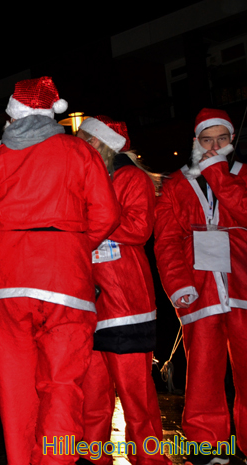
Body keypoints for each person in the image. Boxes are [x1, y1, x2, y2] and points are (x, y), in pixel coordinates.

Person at [0, 77, 119, 465]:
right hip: (64, 279)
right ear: (53, 113)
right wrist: (71, 245)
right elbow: (106, 214)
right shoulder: (79, 151)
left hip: (6, 281)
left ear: (13, 115)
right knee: (63, 382)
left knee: (14, 386)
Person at [154, 107, 247, 465]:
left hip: (241, 285)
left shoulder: (241, 175)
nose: (214, 147)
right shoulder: (176, 184)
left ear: (232, 139)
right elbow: (166, 240)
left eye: (221, 139)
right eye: (207, 140)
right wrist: (177, 284)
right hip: (199, 287)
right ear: (196, 141)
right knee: (204, 370)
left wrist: (219, 175)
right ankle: (207, 445)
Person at [75, 116, 167, 465]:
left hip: (127, 302)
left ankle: (150, 458)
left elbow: (139, 227)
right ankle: (92, 457)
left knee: (136, 396)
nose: (79, 145)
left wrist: (87, 221)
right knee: (92, 396)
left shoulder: (131, 178)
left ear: (102, 143)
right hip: (89, 302)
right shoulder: (84, 180)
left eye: (85, 139)